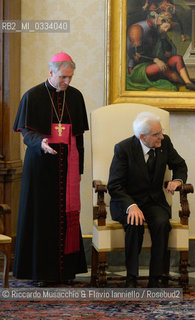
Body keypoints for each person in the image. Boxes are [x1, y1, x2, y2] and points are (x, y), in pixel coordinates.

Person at [12, 52, 89, 285]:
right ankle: (41, 273)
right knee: (41, 217)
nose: (67, 82)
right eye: (63, 77)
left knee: (66, 217)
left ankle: (65, 272)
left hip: (67, 166)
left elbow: (79, 136)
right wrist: (41, 143)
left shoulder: (75, 97)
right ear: (51, 72)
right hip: (40, 167)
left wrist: (79, 170)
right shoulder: (33, 96)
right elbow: (26, 132)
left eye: (70, 77)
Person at [107, 111, 187, 288]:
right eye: (156, 134)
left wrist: (177, 180)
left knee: (161, 223)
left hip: (153, 202)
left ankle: (155, 278)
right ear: (142, 137)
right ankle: (131, 277)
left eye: (161, 132)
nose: (161, 137)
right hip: (127, 202)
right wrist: (131, 206)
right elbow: (114, 185)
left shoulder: (164, 143)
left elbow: (180, 165)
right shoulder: (123, 149)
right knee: (134, 223)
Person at [127, 0, 195, 92]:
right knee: (164, 68)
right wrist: (155, 60)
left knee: (177, 58)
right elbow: (136, 56)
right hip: (138, 69)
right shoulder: (137, 29)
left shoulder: (157, 29)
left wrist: (163, 37)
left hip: (153, 64)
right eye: (164, 19)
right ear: (155, 17)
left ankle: (188, 83)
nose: (167, 22)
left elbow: (168, 54)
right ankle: (184, 82)